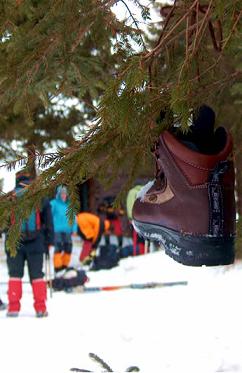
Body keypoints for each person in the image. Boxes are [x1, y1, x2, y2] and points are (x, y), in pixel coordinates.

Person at [132, 105, 236, 266]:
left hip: (189, 219)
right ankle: (211, 224)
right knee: (204, 134)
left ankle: (188, 217)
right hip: (225, 223)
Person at [6, 171, 54, 317]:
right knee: (37, 275)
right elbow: (49, 222)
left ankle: (13, 308)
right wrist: (49, 241)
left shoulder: (9, 198)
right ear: (29, 181)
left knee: (15, 275)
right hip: (36, 242)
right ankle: (40, 308)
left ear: (16, 180)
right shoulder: (40, 197)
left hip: (14, 242)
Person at [50, 185, 77, 275]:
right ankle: (58, 268)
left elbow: (73, 218)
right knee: (58, 248)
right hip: (56, 230)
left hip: (68, 231)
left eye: (64, 193)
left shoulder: (70, 205)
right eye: (61, 193)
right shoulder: (53, 203)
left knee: (68, 248)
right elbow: (48, 217)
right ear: (58, 194)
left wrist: (74, 229)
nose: (63, 195)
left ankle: (64, 266)